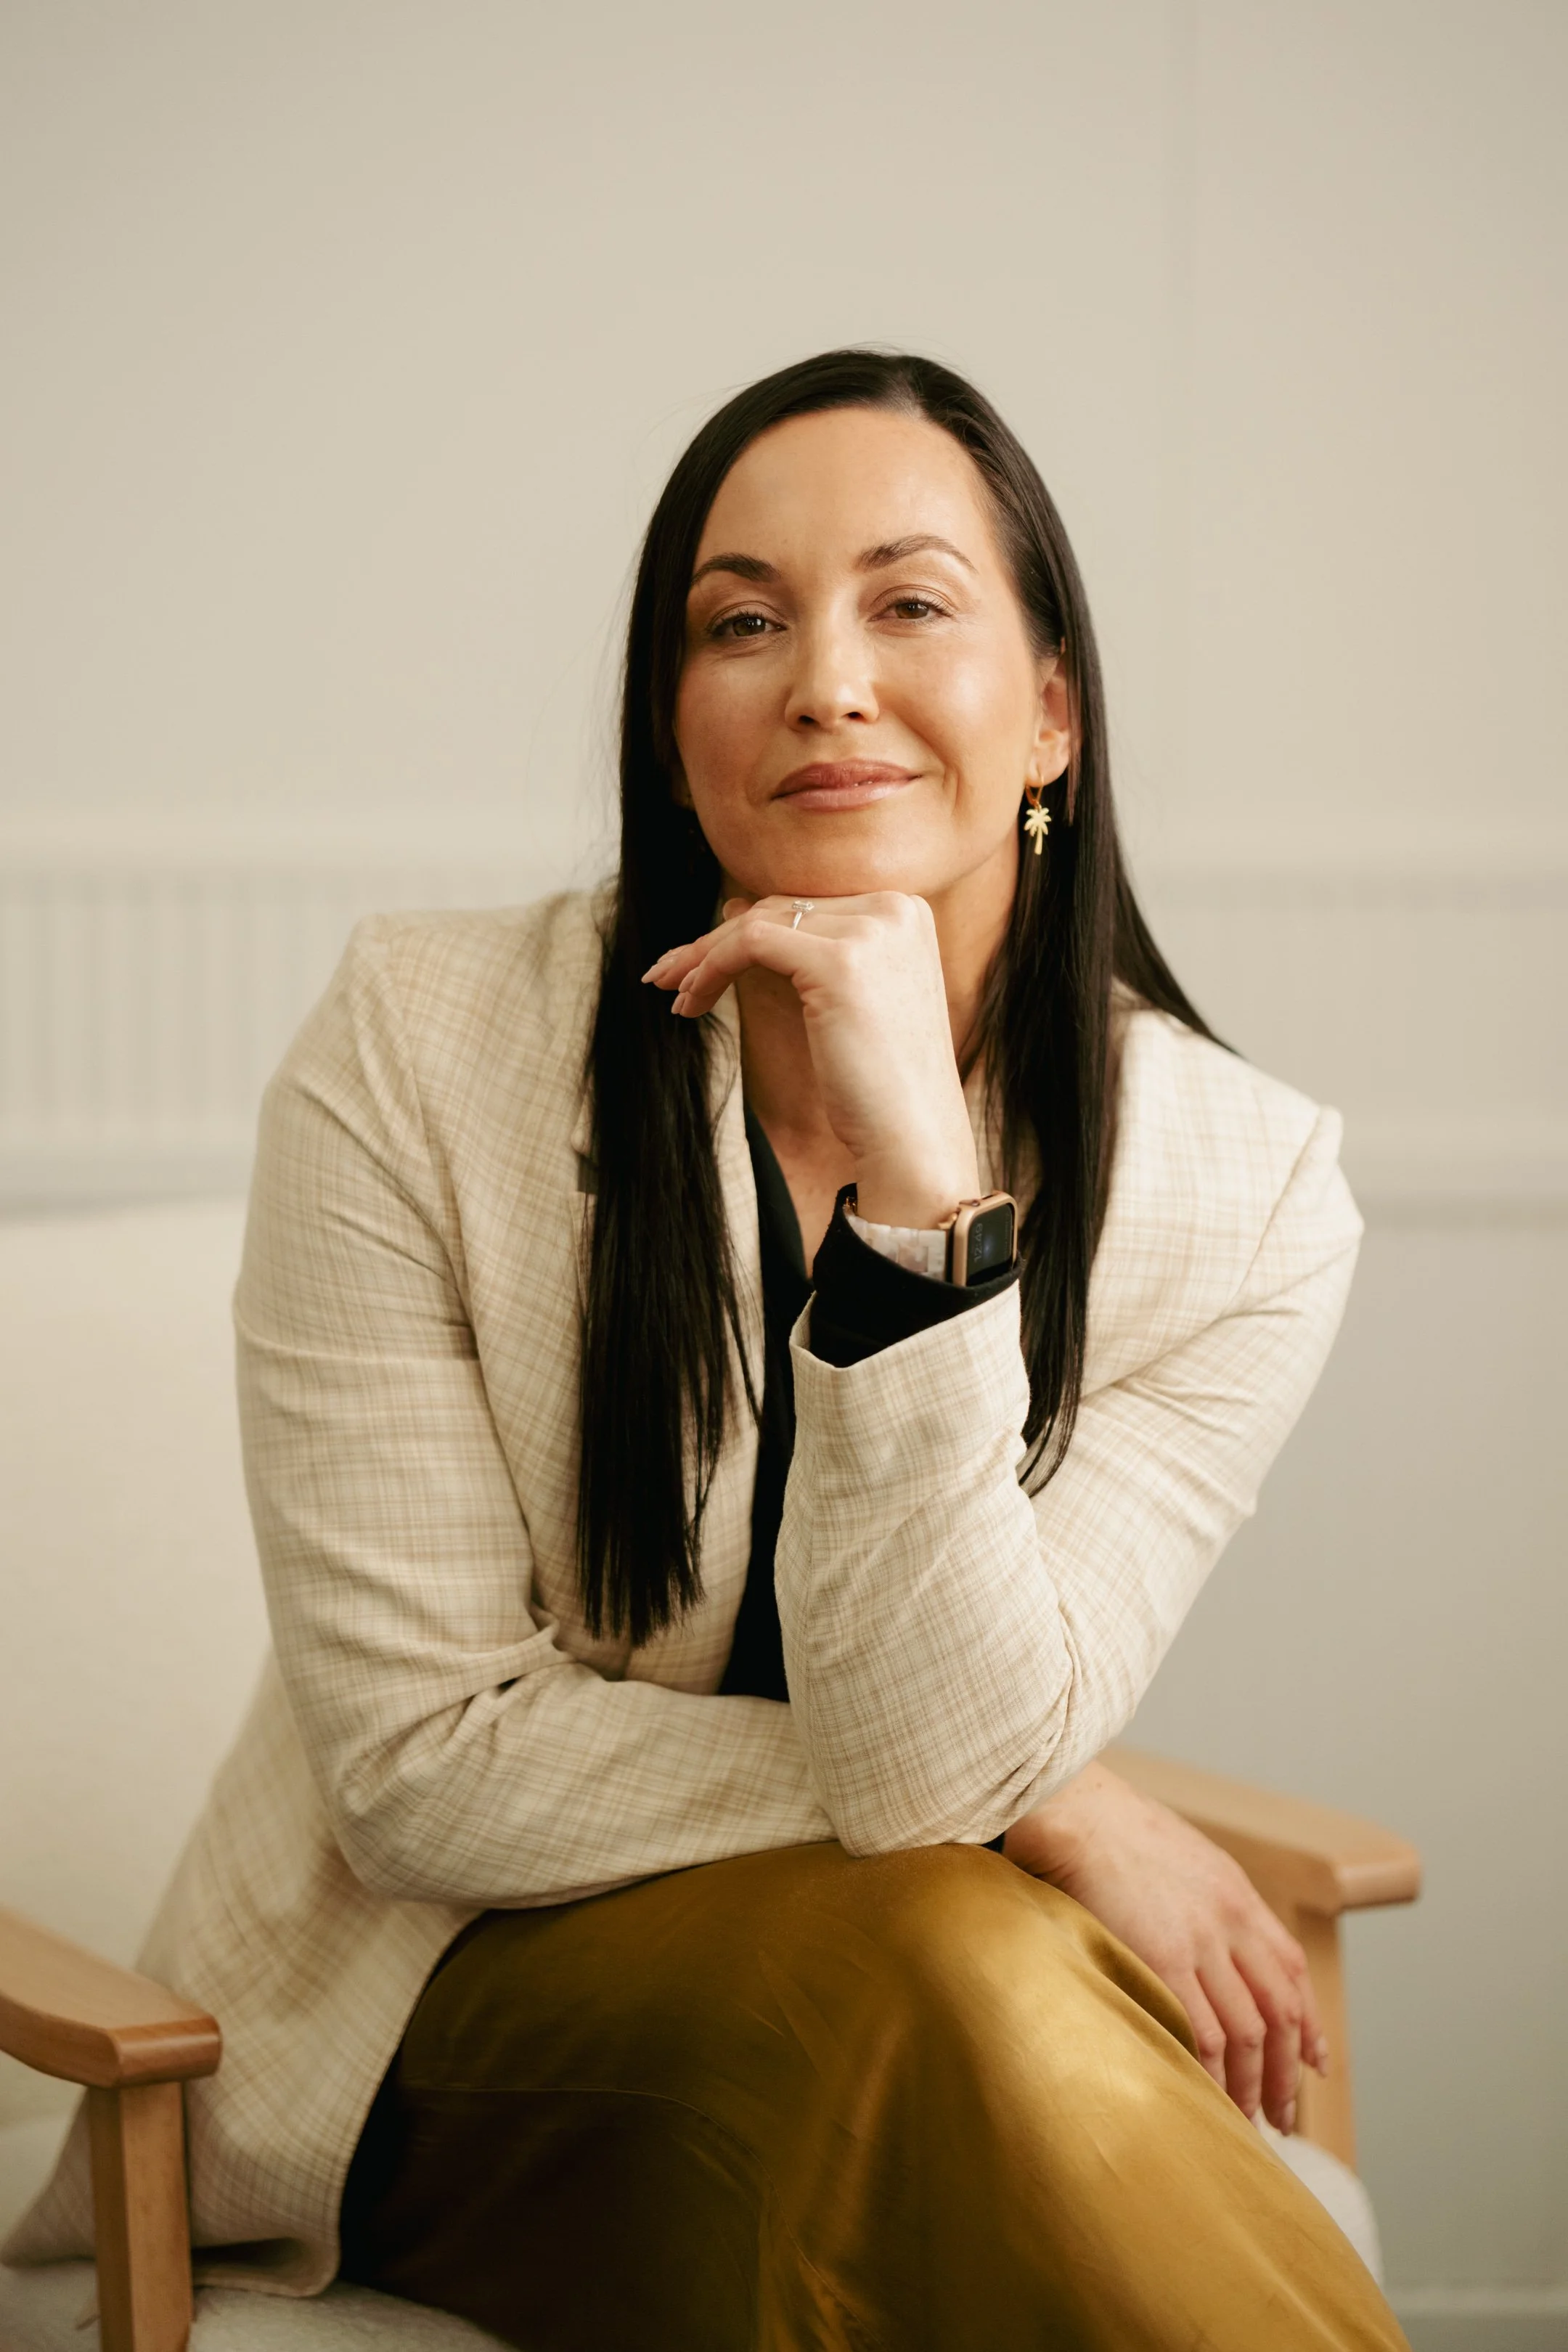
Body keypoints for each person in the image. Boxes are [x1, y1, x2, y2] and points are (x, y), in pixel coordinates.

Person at [7, 351, 1408, 2348]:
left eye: (911, 603)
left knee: (947, 1988)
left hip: (909, 2015)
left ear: (1055, 718)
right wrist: (1058, 1807)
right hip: (453, 2033)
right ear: (677, 737)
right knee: (966, 1963)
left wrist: (927, 1199)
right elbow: (427, 1770)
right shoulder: (423, 1049)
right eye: (742, 622)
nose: (826, 678)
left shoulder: (1243, 1194)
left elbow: (934, 1764)